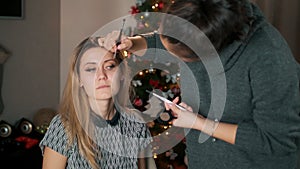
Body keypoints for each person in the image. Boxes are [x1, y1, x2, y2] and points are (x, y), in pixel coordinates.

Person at [101, 0, 300, 168]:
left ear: (207, 50)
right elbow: (166, 42)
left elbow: (276, 141)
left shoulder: (270, 58)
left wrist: (199, 123)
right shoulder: (195, 22)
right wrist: (132, 43)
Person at [39, 36, 155, 169]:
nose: (101, 76)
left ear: (122, 73)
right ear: (79, 80)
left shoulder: (136, 123)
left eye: (110, 66)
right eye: (91, 69)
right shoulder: (64, 126)